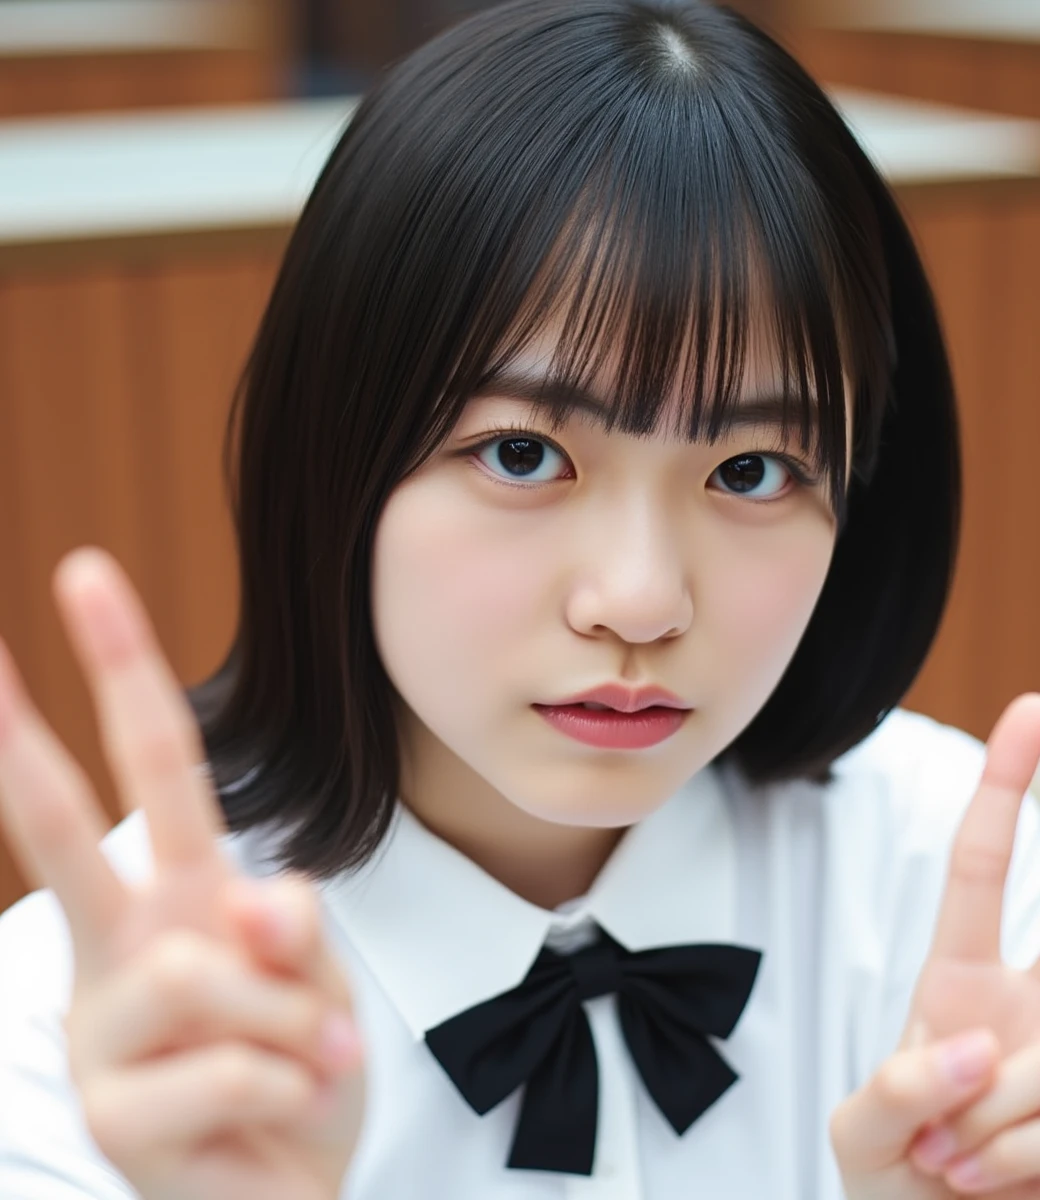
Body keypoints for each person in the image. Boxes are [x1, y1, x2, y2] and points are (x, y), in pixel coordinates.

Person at [1, 1, 1040, 1197]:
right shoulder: (85, 1040)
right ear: (335, 459)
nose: (640, 603)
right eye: (520, 455)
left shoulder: (971, 893)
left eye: (748, 471)